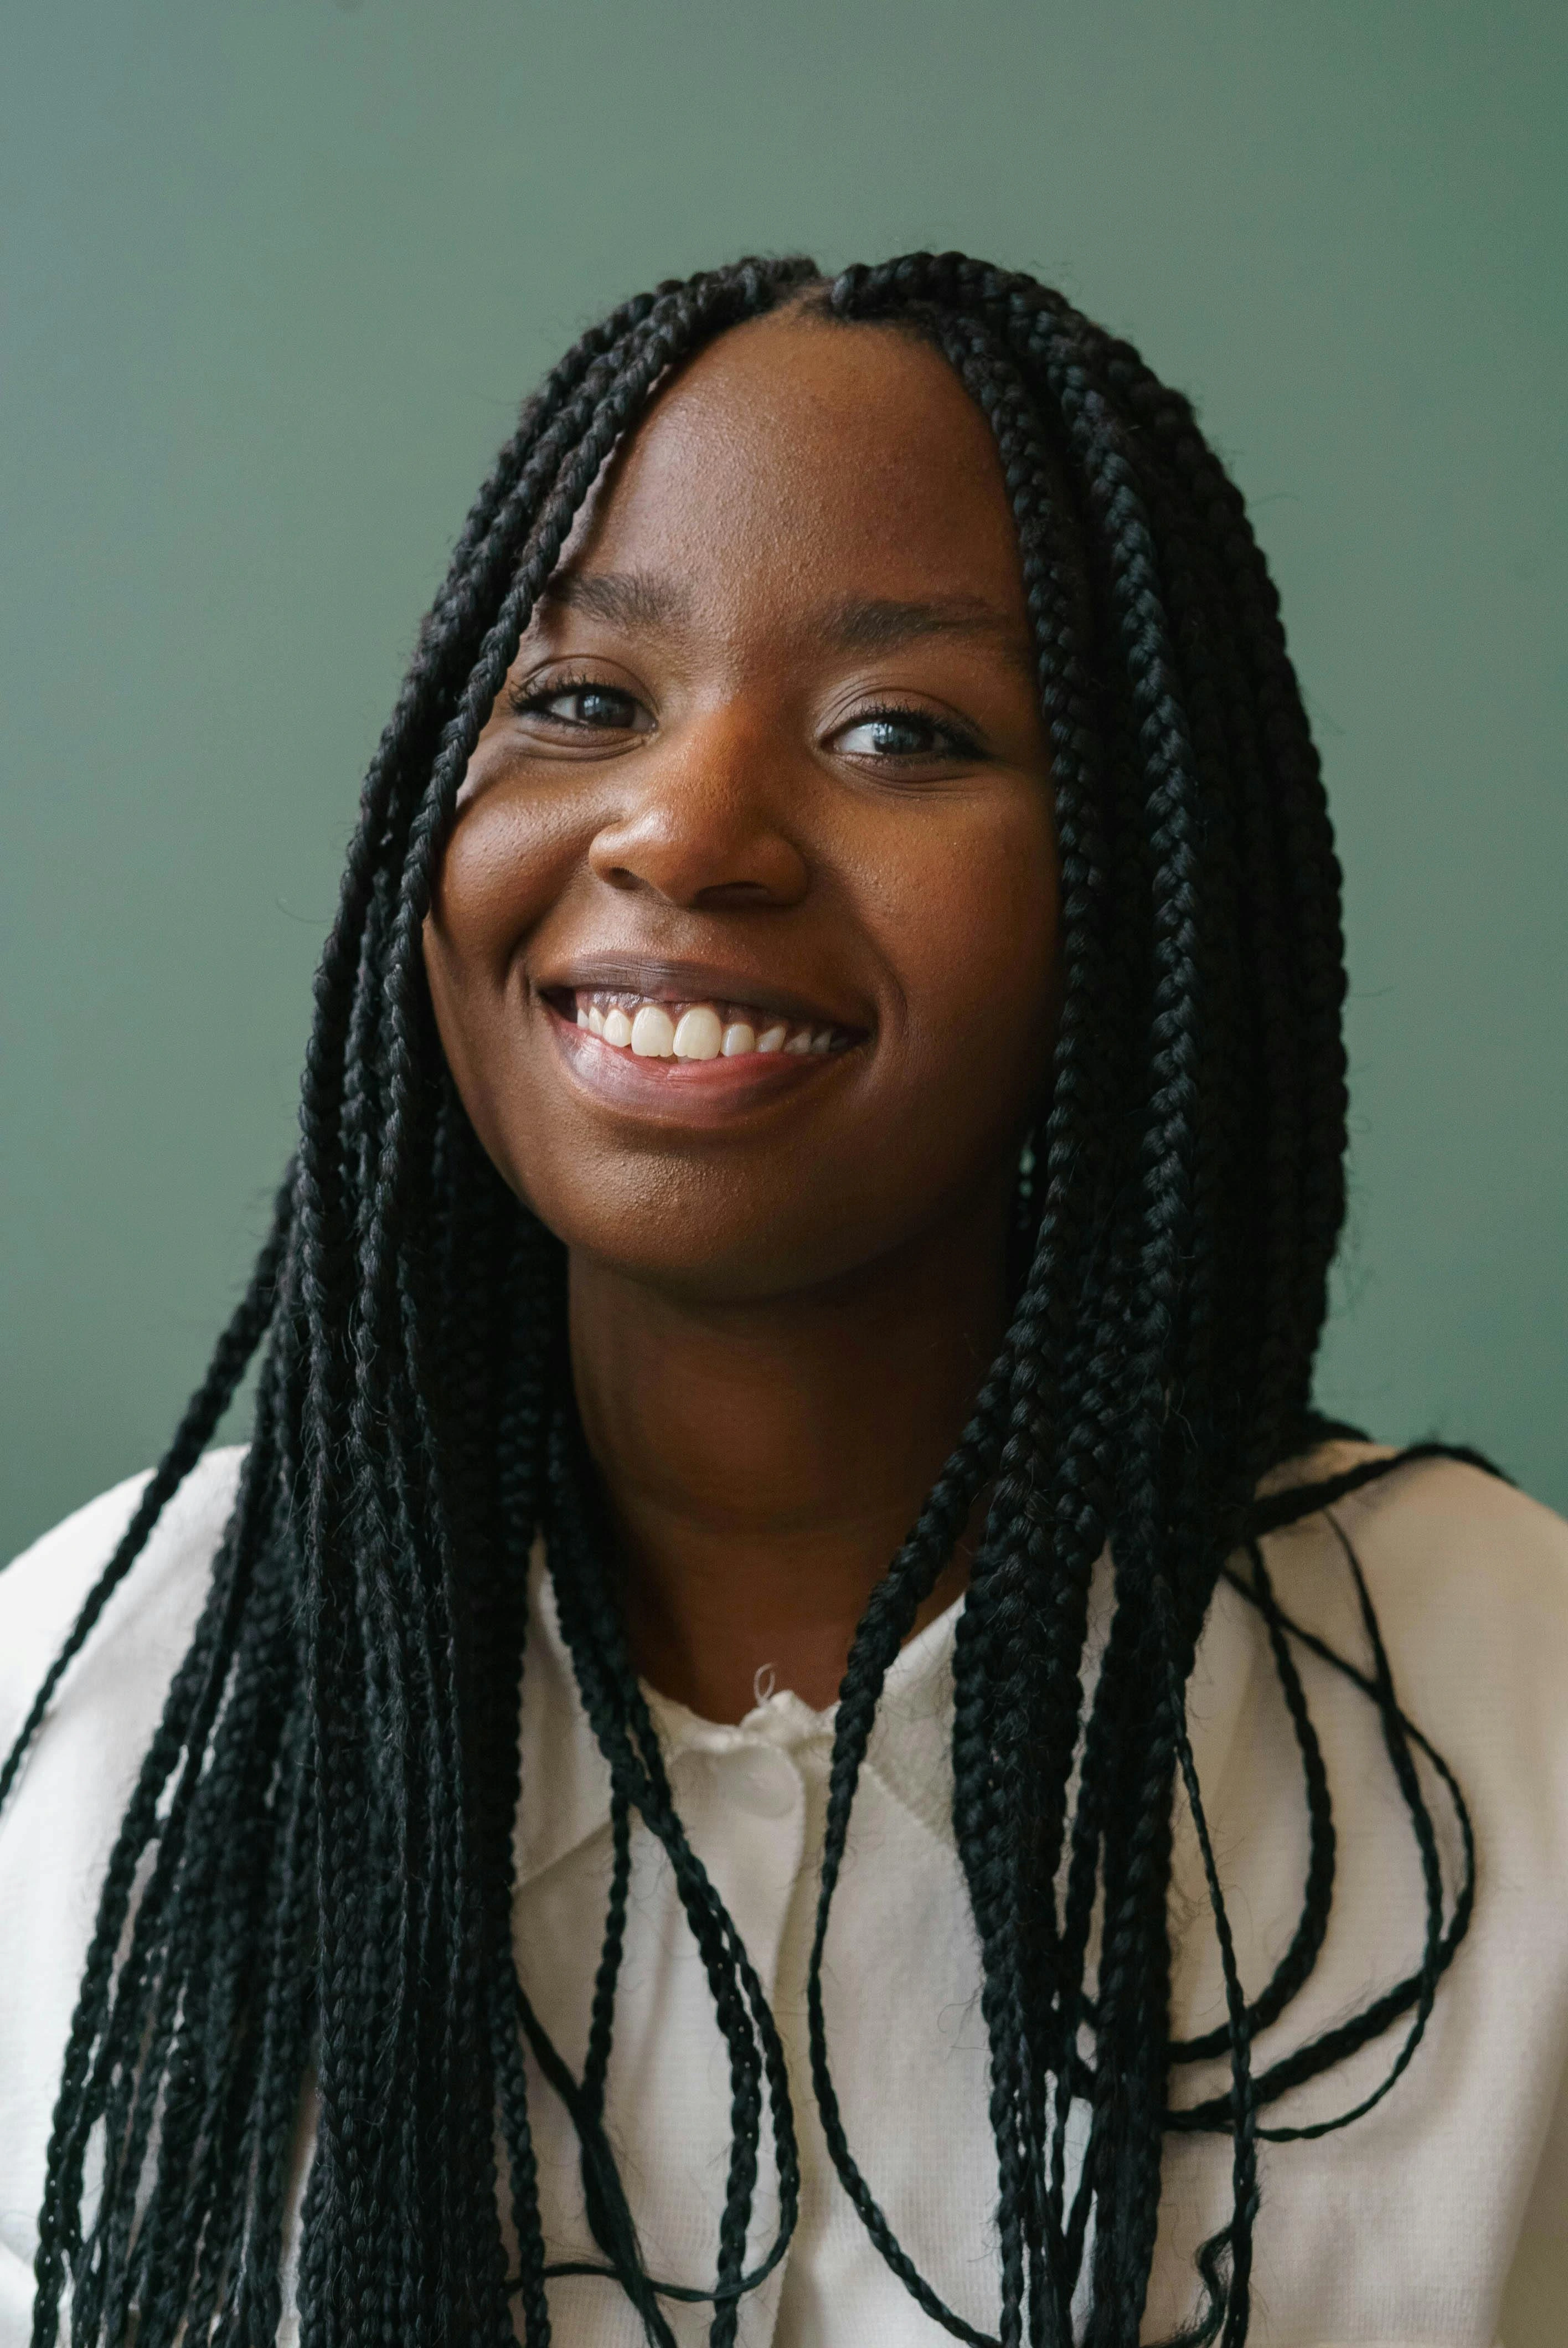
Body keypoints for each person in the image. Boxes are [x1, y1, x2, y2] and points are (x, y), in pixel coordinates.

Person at [1, 252, 1564, 2348]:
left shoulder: (1512, 1719)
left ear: (1144, 878)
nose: (687, 827)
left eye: (902, 731)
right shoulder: (93, 1721)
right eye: (581, 702)